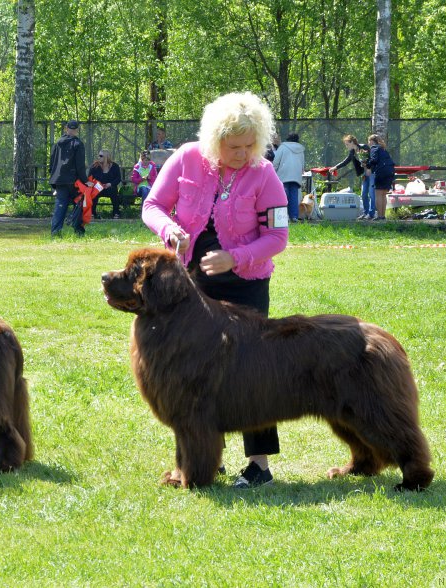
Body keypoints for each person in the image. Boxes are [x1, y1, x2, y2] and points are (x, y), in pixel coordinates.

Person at [141, 91, 289, 489]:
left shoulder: (264, 174)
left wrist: (235, 258)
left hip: (247, 284)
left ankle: (259, 466)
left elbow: (278, 237)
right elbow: (152, 204)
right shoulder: (188, 158)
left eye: (249, 146)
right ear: (213, 139)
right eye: (233, 146)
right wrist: (168, 228)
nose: (242, 154)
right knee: (194, 371)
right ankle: (205, 457)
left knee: (253, 372)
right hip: (194, 283)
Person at [49, 120, 90, 237]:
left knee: (60, 205)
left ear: (66, 128)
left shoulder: (57, 143)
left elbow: (52, 162)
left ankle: (55, 232)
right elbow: (80, 165)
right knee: (80, 204)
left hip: (59, 179)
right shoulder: (78, 144)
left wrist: (53, 180)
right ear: (77, 129)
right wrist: (85, 180)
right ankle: (78, 231)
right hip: (74, 181)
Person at [328, 134, 373, 219]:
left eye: (347, 144)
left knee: (371, 193)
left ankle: (371, 213)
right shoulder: (352, 152)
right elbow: (345, 161)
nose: (346, 146)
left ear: (352, 142)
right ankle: (366, 213)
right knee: (363, 194)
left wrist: (368, 166)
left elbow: (372, 159)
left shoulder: (364, 147)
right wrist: (335, 167)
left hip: (371, 173)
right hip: (364, 174)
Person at [272, 132, 305, 222]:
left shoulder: (283, 147)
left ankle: (283, 217)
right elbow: (302, 165)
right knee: (294, 196)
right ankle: (294, 216)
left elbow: (276, 162)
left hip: (283, 175)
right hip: (296, 176)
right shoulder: (301, 149)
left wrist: (273, 172)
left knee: (283, 196)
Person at [366, 133, 396, 220]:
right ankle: (383, 216)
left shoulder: (374, 148)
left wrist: (367, 165)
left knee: (378, 194)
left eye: (369, 141)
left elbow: (374, 160)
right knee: (383, 194)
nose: (368, 143)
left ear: (372, 141)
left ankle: (380, 216)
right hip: (390, 172)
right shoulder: (383, 149)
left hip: (381, 172)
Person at [89, 149, 122, 219]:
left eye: (101, 156)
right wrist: (96, 184)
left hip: (109, 187)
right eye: (98, 155)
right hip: (98, 187)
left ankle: (116, 212)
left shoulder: (115, 166)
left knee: (114, 191)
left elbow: (118, 179)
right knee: (93, 192)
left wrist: (110, 184)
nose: (99, 157)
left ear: (106, 157)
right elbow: (90, 177)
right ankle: (92, 213)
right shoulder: (95, 166)